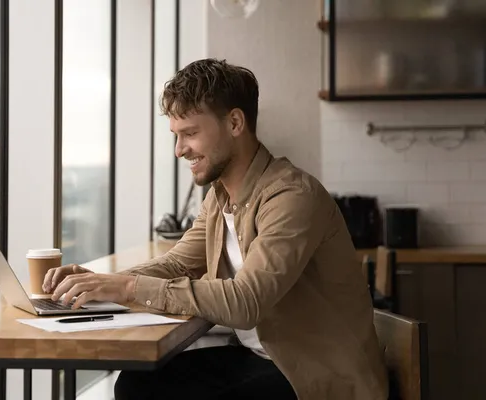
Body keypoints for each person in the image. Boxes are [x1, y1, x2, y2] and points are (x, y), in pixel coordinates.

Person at [42, 58, 388, 400]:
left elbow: (245, 302)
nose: (179, 150)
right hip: (264, 357)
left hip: (316, 373)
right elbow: (178, 264)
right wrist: (98, 284)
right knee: (136, 385)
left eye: (190, 133)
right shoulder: (221, 196)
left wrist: (127, 288)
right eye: (176, 136)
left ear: (235, 122)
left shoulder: (292, 196)